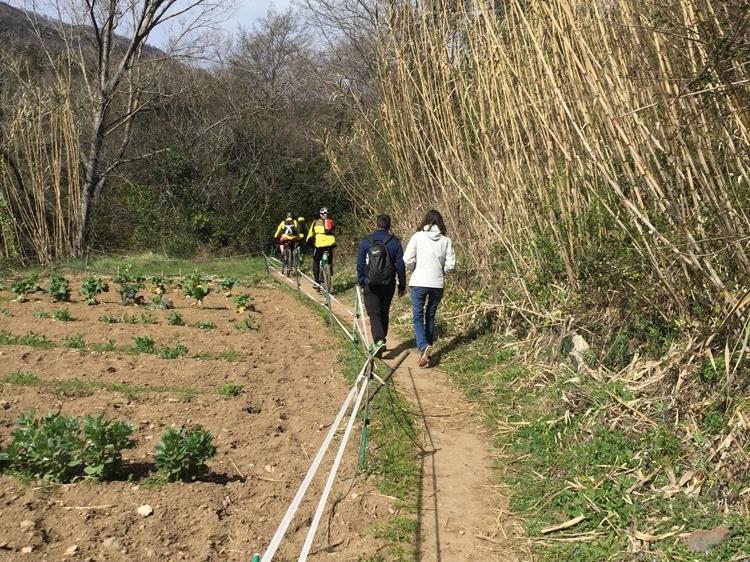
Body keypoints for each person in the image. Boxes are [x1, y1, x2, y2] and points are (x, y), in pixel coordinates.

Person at [403, 210, 456, 368]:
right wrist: (442, 271)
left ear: (425, 221)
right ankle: (425, 354)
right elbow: (451, 265)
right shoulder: (446, 240)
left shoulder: (418, 236)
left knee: (418, 315)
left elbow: (407, 258)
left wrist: (413, 267)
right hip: (437, 283)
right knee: (430, 316)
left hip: (419, 281)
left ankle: (423, 346)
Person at [356, 214, 406, 354]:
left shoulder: (366, 241)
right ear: (389, 226)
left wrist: (362, 281)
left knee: (374, 313)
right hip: (388, 283)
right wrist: (402, 284)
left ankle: (378, 341)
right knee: (384, 312)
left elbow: (360, 263)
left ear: (376, 224)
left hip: (370, 284)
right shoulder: (394, 242)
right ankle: (381, 339)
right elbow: (400, 265)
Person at [306, 207, 336, 291]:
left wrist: (308, 243)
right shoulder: (331, 222)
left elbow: (310, 234)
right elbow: (333, 231)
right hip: (330, 245)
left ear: (320, 215)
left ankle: (316, 282)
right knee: (329, 262)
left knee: (316, 261)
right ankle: (330, 279)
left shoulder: (315, 222)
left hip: (319, 245)